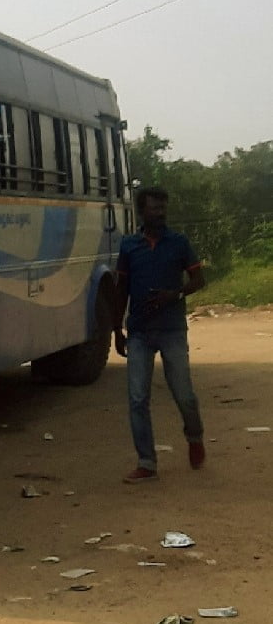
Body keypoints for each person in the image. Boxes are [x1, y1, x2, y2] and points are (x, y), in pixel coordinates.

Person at [112, 185, 207, 484]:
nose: (160, 213)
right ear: (142, 211)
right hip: (139, 331)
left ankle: (194, 437)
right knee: (137, 398)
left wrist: (175, 294)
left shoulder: (178, 243)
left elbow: (199, 279)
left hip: (172, 330)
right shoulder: (129, 246)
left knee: (184, 394)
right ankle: (147, 462)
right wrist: (117, 330)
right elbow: (121, 289)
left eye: (163, 208)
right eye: (155, 208)